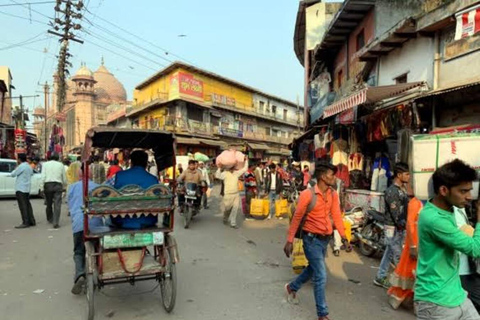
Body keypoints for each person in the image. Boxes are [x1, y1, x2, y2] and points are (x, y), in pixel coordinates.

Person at [415, 159, 480, 320]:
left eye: (470, 191)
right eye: (463, 191)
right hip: (435, 303)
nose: (469, 197)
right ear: (443, 190)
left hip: (457, 296)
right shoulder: (433, 219)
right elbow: (475, 249)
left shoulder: (448, 209)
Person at [283, 163, 348, 320]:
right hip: (310, 240)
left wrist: (344, 237)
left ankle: (292, 287)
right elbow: (297, 218)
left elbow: (337, 216)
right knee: (321, 274)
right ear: (322, 177)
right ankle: (322, 314)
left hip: (325, 240)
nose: (335, 178)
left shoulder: (333, 194)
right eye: (331, 175)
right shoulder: (308, 194)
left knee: (312, 269)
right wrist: (289, 240)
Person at [68, 164, 104, 295]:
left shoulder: (72, 188)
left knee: (78, 252)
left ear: (79, 175)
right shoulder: (98, 187)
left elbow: (71, 207)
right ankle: (97, 273)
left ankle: (80, 275)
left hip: (78, 225)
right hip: (96, 226)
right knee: (97, 249)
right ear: (90, 175)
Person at [374, 162, 410, 288]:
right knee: (397, 254)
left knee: (390, 252)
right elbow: (396, 214)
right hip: (392, 226)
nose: (409, 176)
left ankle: (380, 276)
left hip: (399, 227)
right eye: (406, 174)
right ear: (399, 175)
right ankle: (400, 282)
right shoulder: (392, 191)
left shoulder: (402, 190)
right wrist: (405, 226)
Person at [387, 196, 423, 309]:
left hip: (424, 244)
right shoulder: (415, 202)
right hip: (414, 242)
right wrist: (413, 245)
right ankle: (399, 298)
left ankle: (413, 300)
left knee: (418, 273)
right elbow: (410, 223)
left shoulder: (431, 202)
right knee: (408, 271)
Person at [110, 150, 159, 229]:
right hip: (148, 221)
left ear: (131, 162)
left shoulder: (118, 176)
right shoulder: (154, 180)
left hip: (120, 220)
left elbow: (105, 191)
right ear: (146, 163)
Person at [455, 205, 480, 313]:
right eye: (464, 191)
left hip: (466, 269)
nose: (469, 196)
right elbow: (473, 245)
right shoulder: (453, 211)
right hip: (461, 270)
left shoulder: (460, 209)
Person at [215, 158, 248, 229]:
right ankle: (225, 218)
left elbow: (245, 169)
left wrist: (246, 160)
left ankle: (233, 223)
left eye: (233, 167)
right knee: (227, 209)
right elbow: (217, 175)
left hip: (236, 194)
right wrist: (219, 168)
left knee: (235, 209)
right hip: (228, 195)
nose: (232, 169)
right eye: (231, 168)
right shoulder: (225, 174)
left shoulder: (236, 173)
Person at [8, 153, 36, 228]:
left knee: (23, 206)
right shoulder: (29, 166)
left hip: (20, 188)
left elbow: (13, 174)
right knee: (27, 205)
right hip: (27, 188)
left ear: (19, 159)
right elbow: (32, 174)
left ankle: (25, 222)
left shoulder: (21, 166)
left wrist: (16, 167)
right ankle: (31, 220)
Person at [41, 153, 67, 228]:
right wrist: (65, 186)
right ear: (57, 158)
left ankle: (50, 218)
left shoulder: (45, 165)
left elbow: (43, 176)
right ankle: (55, 222)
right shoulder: (61, 165)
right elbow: (64, 177)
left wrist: (41, 187)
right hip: (58, 185)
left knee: (48, 203)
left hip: (48, 185)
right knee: (57, 204)